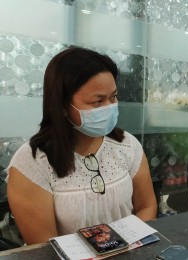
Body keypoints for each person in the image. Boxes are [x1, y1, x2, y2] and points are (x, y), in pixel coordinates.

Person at [6, 47, 157, 245]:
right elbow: (43, 246)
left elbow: (147, 206)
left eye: (113, 97)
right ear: (62, 106)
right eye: (97, 101)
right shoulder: (32, 164)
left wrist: (123, 246)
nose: (109, 107)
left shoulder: (126, 145)